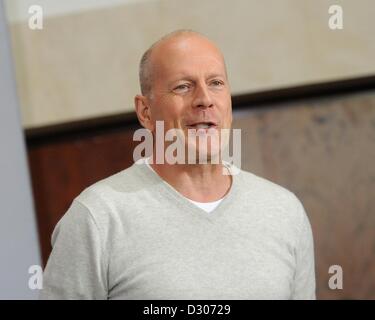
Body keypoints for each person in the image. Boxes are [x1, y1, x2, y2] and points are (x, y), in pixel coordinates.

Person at [40, 30, 316, 300]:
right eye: (183, 86)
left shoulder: (284, 211)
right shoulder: (97, 217)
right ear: (145, 112)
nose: (205, 99)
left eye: (216, 83)